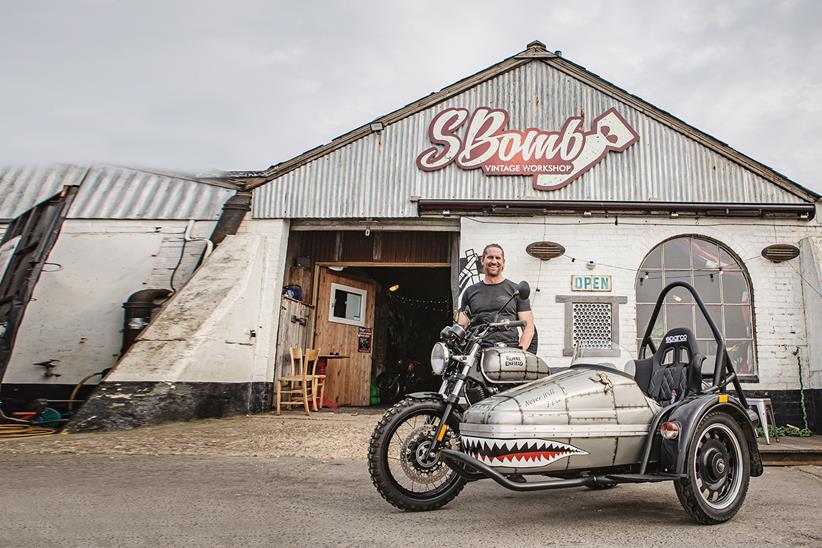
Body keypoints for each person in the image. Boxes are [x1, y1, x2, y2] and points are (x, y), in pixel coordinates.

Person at [458, 243, 535, 351]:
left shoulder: (516, 290)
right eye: (490, 257)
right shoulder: (470, 291)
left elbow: (528, 327)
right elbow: (462, 325)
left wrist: (520, 351)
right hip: (477, 351)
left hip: (509, 351)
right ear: (482, 260)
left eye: (498, 258)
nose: (494, 261)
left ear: (503, 262)